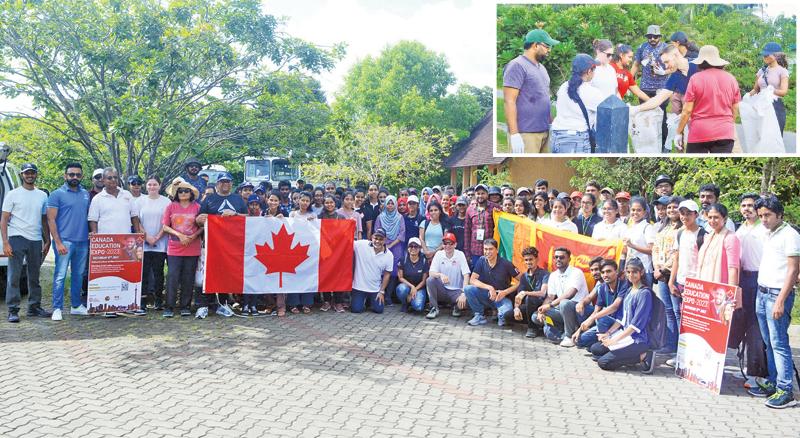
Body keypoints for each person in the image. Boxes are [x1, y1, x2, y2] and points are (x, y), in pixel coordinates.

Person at [749, 195, 799, 408]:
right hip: (762, 293)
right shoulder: (768, 233)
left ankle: (786, 391)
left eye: (768, 215)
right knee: (768, 342)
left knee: (779, 343)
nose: (764, 219)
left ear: (779, 214)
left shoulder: (790, 235)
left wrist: (780, 300)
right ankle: (772, 382)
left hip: (776, 295)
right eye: (761, 216)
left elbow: (793, 270)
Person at [2, 163, 51, 322]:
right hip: (16, 238)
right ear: (22, 175)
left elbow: (44, 219)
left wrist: (47, 239)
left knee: (34, 276)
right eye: (27, 173)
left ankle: (34, 307)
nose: (30, 175)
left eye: (32, 173)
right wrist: (6, 242)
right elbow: (4, 219)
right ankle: (13, 310)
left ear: (36, 175)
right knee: (14, 276)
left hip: (36, 239)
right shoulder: (13, 194)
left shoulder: (42, 195)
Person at [590, 257, 656, 373]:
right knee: (595, 349)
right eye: (628, 272)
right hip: (625, 335)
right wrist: (608, 334)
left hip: (637, 340)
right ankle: (624, 355)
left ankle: (644, 355)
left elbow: (636, 326)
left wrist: (614, 340)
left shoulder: (645, 293)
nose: (631, 275)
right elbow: (622, 318)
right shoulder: (629, 290)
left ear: (641, 272)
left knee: (603, 363)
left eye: (635, 272)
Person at [194, 172, 246, 319]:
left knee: (225, 274)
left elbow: (247, 218)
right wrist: (200, 218)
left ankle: (222, 304)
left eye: (228, 182)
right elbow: (198, 219)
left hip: (230, 245)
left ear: (231, 184)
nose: (225, 184)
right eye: (222, 182)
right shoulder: (209, 199)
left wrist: (235, 214)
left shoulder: (238, 199)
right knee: (205, 274)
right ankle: (202, 305)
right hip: (210, 243)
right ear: (217, 184)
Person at [503, 28, 559, 154]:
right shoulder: (517, 66)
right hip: (526, 135)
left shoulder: (542, 68)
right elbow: (509, 101)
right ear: (535, 45)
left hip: (544, 132)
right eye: (547, 46)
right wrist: (514, 134)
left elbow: (543, 98)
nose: (549, 50)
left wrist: (550, 123)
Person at [732, 193, 769, 388]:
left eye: (750, 205)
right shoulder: (740, 229)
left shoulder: (764, 229)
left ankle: (758, 374)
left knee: (755, 327)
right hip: (742, 278)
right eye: (743, 205)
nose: (747, 208)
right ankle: (749, 368)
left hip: (758, 278)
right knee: (744, 324)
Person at [675, 45, 741, 153]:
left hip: (699, 131)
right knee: (720, 166)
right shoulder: (731, 79)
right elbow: (735, 107)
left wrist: (679, 132)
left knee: (696, 167)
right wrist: (729, 124)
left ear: (701, 62)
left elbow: (687, 111)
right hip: (725, 131)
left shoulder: (695, 79)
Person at [46, 162, 91, 318]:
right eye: (71, 174)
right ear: (65, 176)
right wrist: (57, 242)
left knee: (78, 275)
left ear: (82, 176)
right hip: (64, 241)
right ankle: (57, 308)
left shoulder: (85, 194)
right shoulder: (56, 194)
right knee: (60, 275)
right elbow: (51, 220)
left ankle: (76, 305)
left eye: (78, 174)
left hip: (83, 241)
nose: (74, 177)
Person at [667, 199, 705, 367]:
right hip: (679, 282)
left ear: (696, 214)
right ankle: (681, 355)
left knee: (693, 322)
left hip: (695, 285)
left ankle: (695, 358)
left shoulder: (704, 235)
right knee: (678, 318)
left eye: (688, 213)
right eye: (682, 213)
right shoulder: (680, 233)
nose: (684, 216)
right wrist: (671, 280)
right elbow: (676, 258)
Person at [631, 45, 699, 135]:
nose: (666, 66)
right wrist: (637, 109)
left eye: (667, 62)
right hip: (695, 122)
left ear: (675, 55)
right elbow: (659, 98)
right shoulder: (676, 75)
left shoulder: (697, 66)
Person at [161, 181, 202, 318]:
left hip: (193, 246)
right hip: (174, 247)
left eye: (186, 190)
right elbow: (165, 226)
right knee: (172, 277)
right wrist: (180, 235)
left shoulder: (197, 207)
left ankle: (185, 306)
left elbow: (203, 225)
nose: (183, 193)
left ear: (191, 193)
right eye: (180, 191)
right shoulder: (171, 206)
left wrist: (193, 236)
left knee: (188, 277)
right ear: (176, 193)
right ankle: (169, 306)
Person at [535, 247, 590, 346]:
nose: (558, 260)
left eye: (561, 257)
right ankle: (564, 328)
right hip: (562, 311)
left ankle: (568, 337)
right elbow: (550, 297)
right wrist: (542, 310)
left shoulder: (576, 272)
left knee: (565, 303)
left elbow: (570, 294)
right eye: (556, 257)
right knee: (535, 316)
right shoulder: (553, 275)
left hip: (578, 311)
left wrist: (550, 305)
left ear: (569, 259)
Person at [550, 54, 603, 153]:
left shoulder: (563, 87)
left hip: (556, 136)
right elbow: (607, 110)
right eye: (594, 70)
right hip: (576, 139)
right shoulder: (592, 93)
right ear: (588, 71)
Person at [573, 259, 630, 350]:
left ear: (616, 271)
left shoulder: (624, 285)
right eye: (603, 272)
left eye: (608, 271)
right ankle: (600, 341)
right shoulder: (602, 287)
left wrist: (592, 318)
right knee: (579, 340)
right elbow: (596, 311)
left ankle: (605, 343)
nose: (605, 275)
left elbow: (615, 307)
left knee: (601, 318)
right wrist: (580, 329)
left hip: (620, 324)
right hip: (606, 324)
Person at [464, 239, 521, 327]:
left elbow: (522, 281)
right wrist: (490, 288)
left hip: (501, 298)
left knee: (505, 316)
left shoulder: (506, 264)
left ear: (497, 250)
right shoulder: (481, 260)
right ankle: (479, 315)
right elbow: (472, 280)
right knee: (468, 289)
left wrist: (505, 292)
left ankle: (500, 314)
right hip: (486, 295)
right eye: (485, 249)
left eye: (490, 249)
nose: (487, 252)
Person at [652, 196, 682, 356]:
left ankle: (680, 348)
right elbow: (656, 249)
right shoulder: (663, 227)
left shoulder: (682, 229)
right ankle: (670, 345)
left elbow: (678, 254)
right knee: (668, 310)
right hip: (661, 275)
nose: (671, 210)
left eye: (674, 207)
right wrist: (657, 267)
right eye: (668, 208)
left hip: (674, 275)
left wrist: (664, 269)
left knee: (678, 311)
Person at [136, 175, 170, 313]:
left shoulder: (166, 202)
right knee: (143, 274)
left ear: (160, 186)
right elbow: (136, 221)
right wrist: (147, 237)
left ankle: (158, 300)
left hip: (160, 244)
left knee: (158, 273)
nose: (152, 187)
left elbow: (167, 222)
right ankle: (142, 301)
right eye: (149, 184)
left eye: (155, 184)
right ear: (146, 186)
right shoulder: (140, 201)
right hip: (143, 244)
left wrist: (156, 237)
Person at [632, 25, 669, 147]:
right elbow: (636, 64)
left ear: (660, 36)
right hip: (645, 88)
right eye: (650, 36)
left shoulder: (666, 48)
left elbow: (674, 67)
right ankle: (646, 144)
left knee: (661, 117)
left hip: (661, 89)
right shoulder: (642, 47)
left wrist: (664, 72)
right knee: (644, 116)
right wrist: (629, 79)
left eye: (655, 36)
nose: (652, 39)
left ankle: (663, 146)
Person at [425, 232, 470, 319]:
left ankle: (456, 307)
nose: (447, 246)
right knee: (430, 280)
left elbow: (466, 275)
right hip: (442, 289)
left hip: (456, 291)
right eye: (445, 243)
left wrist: (464, 293)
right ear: (443, 245)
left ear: (455, 244)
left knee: (468, 299)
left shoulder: (460, 254)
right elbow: (431, 272)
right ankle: (434, 308)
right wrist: (440, 275)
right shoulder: (438, 254)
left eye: (451, 243)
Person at [749, 42, 790, 135]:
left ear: (776, 56)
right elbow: (756, 89)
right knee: (760, 136)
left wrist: (771, 90)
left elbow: (783, 92)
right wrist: (747, 96)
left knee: (774, 136)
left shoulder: (782, 71)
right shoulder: (761, 71)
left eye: (767, 54)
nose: (764, 56)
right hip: (761, 105)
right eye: (763, 54)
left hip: (775, 106)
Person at [696, 203, 740, 291]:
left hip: (721, 289)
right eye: (710, 217)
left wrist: (731, 293)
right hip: (705, 285)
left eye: (716, 217)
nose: (712, 220)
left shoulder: (730, 238)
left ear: (725, 218)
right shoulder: (708, 237)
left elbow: (733, 268)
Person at [351, 229, 393, 314]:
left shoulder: (389, 255)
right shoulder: (361, 244)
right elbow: (347, 241)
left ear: (385, 240)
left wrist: (381, 291)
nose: (377, 241)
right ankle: (363, 300)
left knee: (379, 310)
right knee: (356, 310)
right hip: (359, 286)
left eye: (380, 239)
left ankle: (369, 301)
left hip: (375, 288)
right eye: (375, 238)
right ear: (371, 237)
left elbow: (387, 274)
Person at [512, 247, 549, 338]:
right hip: (528, 306)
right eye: (526, 260)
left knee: (530, 298)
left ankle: (533, 327)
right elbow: (518, 296)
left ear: (537, 259)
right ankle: (534, 321)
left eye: (531, 259)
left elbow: (543, 293)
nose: (528, 262)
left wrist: (526, 293)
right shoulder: (524, 276)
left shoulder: (545, 274)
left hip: (542, 305)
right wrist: (516, 308)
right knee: (508, 315)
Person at [374, 195, 405, 304]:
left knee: (393, 272)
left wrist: (391, 245)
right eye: (388, 203)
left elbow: (402, 234)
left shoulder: (400, 217)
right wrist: (383, 245)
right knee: (380, 270)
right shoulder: (380, 217)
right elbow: (376, 232)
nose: (390, 205)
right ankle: (378, 294)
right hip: (381, 246)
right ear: (385, 204)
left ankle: (388, 297)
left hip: (396, 247)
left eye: (392, 203)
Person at [623, 196, 655, 286]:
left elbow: (651, 250)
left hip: (643, 271)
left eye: (639, 210)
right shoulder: (629, 228)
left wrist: (632, 245)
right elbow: (627, 251)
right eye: (633, 210)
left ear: (644, 212)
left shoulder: (647, 227)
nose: (635, 213)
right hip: (630, 271)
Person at [463, 184, 498, 267]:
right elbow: (467, 231)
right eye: (478, 193)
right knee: (476, 276)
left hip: (491, 250)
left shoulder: (495, 208)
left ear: (487, 194)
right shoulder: (470, 209)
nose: (480, 196)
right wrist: (467, 252)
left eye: (483, 193)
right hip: (475, 250)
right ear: (475, 195)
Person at [395, 237, 428, 313]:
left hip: (419, 288)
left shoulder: (423, 261)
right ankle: (405, 303)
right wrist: (412, 287)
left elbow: (424, 281)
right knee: (401, 289)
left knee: (418, 307)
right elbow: (400, 277)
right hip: (407, 286)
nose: (413, 248)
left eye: (416, 246)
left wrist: (415, 289)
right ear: (408, 248)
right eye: (411, 246)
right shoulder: (403, 259)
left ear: (419, 248)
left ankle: (412, 303)